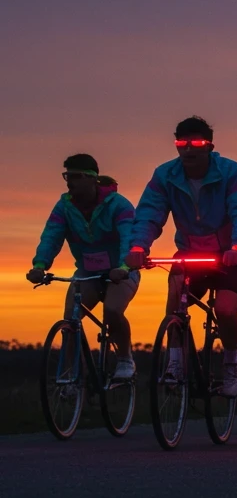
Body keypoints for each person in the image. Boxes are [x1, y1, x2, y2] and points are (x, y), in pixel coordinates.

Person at [125, 116, 237, 397]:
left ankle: (232, 364)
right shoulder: (165, 175)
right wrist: (138, 247)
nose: (188, 149)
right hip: (191, 251)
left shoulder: (232, 172)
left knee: (224, 309)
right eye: (181, 143)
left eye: (196, 142)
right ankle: (175, 363)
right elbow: (150, 213)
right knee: (176, 296)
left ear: (209, 145)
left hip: (234, 253)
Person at [29, 154, 141, 379]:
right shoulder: (64, 206)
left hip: (121, 271)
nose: (70, 182)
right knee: (71, 319)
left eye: (76, 176)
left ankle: (125, 358)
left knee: (112, 311)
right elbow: (51, 236)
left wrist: (124, 267)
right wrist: (40, 265)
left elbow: (130, 237)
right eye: (66, 176)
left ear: (92, 178)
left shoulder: (119, 205)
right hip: (87, 273)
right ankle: (72, 377)